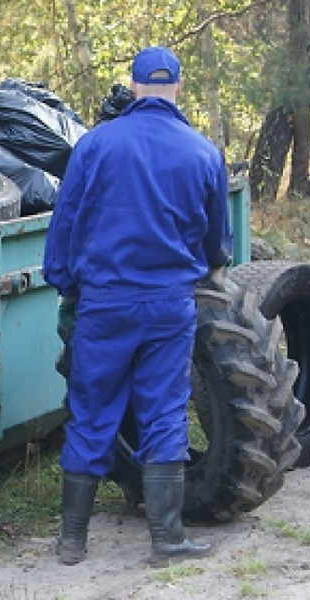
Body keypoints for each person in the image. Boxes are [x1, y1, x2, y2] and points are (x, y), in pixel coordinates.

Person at [43, 46, 232, 566]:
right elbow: (217, 241)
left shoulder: (97, 144)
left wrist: (62, 280)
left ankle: (73, 540)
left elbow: (67, 220)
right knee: (165, 411)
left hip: (105, 304)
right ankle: (167, 539)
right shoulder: (202, 152)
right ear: (179, 84)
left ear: (133, 84)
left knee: (92, 409)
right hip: (170, 306)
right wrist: (213, 263)